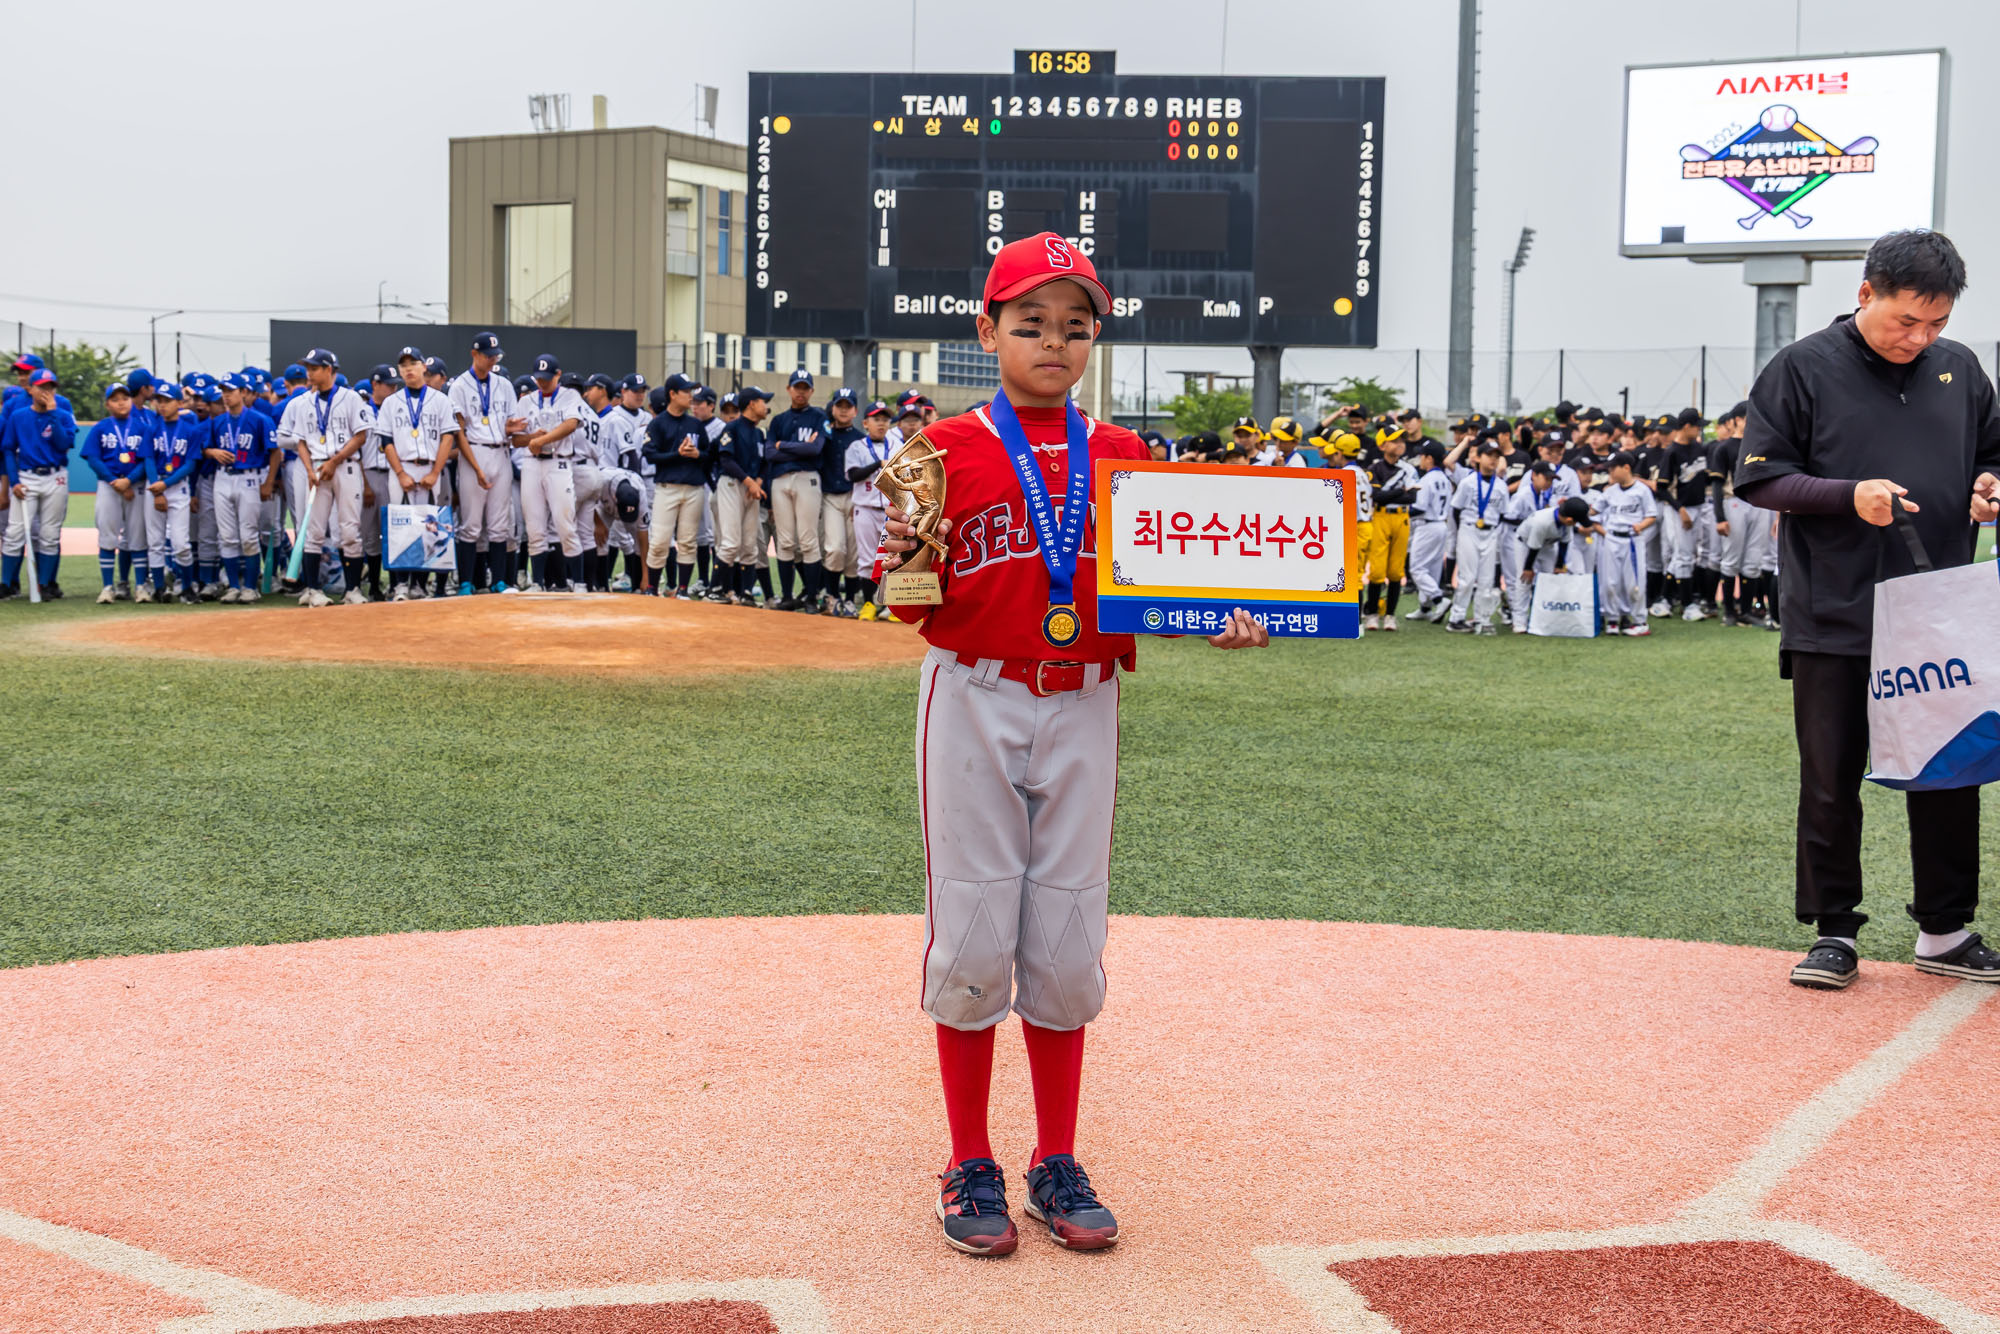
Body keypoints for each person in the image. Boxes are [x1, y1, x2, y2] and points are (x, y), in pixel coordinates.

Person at [874, 232, 1267, 1258]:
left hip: (1086, 695)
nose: (1054, 341)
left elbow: (1163, 590)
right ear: (986, 329)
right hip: (974, 692)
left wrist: (1222, 614)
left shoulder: (1125, 455)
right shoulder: (938, 451)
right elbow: (906, 599)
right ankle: (968, 1158)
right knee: (969, 926)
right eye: (1029, 321)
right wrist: (906, 562)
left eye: (1075, 325)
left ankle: (1055, 1157)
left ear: (1095, 336)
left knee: (1063, 929)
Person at [1733, 228, 2000, 989]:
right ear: (1864, 295)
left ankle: (1945, 931)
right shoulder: (1801, 368)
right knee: (1830, 776)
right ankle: (1834, 931)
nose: (1921, 338)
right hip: (1835, 612)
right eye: (1906, 321)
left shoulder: (1960, 369)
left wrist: (1988, 484)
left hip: (1935, 612)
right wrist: (1850, 495)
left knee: (1949, 773)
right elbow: (1761, 480)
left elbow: (1994, 450)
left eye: (1937, 323)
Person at [290, 348, 373, 607]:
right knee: (313, 530)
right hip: (316, 467)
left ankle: (353, 589)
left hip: (345, 466)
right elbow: (300, 442)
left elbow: (361, 436)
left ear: (329, 369)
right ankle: (313, 589)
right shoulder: (305, 402)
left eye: (314, 368)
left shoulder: (350, 399)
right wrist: (309, 470)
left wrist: (333, 461)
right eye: (308, 368)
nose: (309, 373)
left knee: (349, 529)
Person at [378, 347, 461, 600]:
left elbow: (449, 437)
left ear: (424, 367)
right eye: (403, 365)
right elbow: (386, 440)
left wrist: (436, 471)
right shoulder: (391, 402)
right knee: (401, 525)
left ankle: (420, 584)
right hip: (401, 466)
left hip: (430, 467)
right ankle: (401, 584)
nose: (408, 369)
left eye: (413, 363)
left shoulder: (441, 400)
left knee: (429, 525)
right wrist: (401, 472)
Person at [446, 332, 522, 595]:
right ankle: (466, 581)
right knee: (471, 522)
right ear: (474, 354)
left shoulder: (503, 385)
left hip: (501, 451)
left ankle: (499, 580)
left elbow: (510, 423)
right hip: (474, 451)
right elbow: (459, 432)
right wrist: (476, 468)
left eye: (495, 356)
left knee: (500, 521)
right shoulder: (460, 386)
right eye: (488, 356)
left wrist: (514, 427)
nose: (492, 360)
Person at [201, 374, 281, 603]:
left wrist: (268, 482)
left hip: (249, 477)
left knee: (248, 535)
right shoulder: (217, 422)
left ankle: (249, 587)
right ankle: (234, 586)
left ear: (243, 392)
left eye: (231, 390)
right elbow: (205, 449)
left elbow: (275, 452)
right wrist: (212, 452)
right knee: (226, 536)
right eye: (224, 390)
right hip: (223, 478)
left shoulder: (259, 419)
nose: (226, 395)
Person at [1, 369, 76, 599]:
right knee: (14, 532)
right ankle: (5, 584)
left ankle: (44, 585)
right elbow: (8, 449)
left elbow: (64, 444)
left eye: (51, 387)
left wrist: (53, 414)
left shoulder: (62, 414)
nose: (46, 391)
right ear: (30, 389)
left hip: (55, 476)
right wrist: (14, 481)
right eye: (41, 387)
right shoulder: (18, 415)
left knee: (49, 534)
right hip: (27, 477)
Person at [518, 354, 588, 593]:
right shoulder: (526, 401)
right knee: (535, 526)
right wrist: (531, 438)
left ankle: (578, 582)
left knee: (564, 522)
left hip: (558, 462)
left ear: (558, 375)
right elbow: (516, 439)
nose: (542, 382)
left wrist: (542, 439)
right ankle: (537, 583)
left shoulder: (570, 396)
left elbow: (570, 424)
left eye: (547, 378)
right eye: (538, 378)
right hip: (532, 463)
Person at [82, 383, 151, 602]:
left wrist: (129, 480)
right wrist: (114, 481)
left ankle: (140, 587)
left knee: (137, 536)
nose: (121, 402)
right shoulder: (101, 427)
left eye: (125, 398)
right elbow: (93, 458)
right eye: (115, 399)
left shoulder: (141, 428)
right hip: (108, 486)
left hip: (136, 486)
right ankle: (107, 587)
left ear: (132, 401)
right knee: (108, 535)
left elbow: (146, 460)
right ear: (107, 404)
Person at [765, 368, 827, 611]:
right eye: (797, 386)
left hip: (807, 479)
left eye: (805, 387)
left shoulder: (819, 417)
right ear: (789, 389)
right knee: (785, 541)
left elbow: (815, 450)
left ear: (811, 390)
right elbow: (769, 452)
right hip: (780, 481)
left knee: (808, 540)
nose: (800, 391)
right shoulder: (778, 420)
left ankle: (811, 598)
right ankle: (788, 596)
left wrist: (784, 446)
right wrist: (799, 446)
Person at [642, 372, 708, 598]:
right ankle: (651, 588)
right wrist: (676, 454)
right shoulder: (658, 423)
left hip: (693, 488)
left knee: (688, 541)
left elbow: (709, 454)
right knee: (659, 540)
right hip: (667, 487)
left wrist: (698, 453)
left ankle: (682, 590)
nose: (691, 396)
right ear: (672, 394)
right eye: (686, 391)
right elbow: (650, 455)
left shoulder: (695, 424)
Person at [1445, 440, 1506, 634]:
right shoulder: (1468, 482)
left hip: (1490, 531)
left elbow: (1504, 512)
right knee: (1467, 577)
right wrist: (1457, 535)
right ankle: (1456, 617)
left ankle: (1482, 617)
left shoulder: (1501, 486)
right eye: (1489, 455)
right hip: (1469, 529)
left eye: (1497, 456)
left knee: (1487, 579)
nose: (1493, 460)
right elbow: (1456, 510)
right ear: (1478, 458)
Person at [145, 383, 200, 603]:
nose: (163, 405)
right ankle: (160, 588)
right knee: (155, 541)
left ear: (179, 403)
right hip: (155, 486)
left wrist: (165, 485)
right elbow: (148, 459)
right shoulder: (152, 429)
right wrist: (156, 488)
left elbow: (190, 465)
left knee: (180, 543)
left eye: (168, 401)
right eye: (160, 400)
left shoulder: (190, 431)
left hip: (177, 487)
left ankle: (187, 587)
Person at [1596, 451, 1656, 636]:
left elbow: (1651, 515)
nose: (1611, 473)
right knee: (1610, 581)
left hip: (1632, 539)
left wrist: (1641, 526)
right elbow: (1593, 511)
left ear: (1626, 468)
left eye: (1613, 468)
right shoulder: (1610, 492)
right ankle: (1612, 619)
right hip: (1612, 537)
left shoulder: (1641, 490)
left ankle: (1639, 621)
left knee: (1634, 582)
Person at [846, 398, 895, 620]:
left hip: (889, 510)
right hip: (864, 508)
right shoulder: (856, 446)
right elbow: (853, 475)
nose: (881, 423)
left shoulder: (897, 446)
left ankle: (890, 606)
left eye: (885, 419)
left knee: (892, 557)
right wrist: (878, 464)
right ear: (865, 423)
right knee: (866, 559)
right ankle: (868, 604)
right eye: (876, 419)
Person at [1363, 433, 1416, 630]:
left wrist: (1395, 495)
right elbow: (1377, 496)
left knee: (1396, 570)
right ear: (1383, 445)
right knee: (1376, 570)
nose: (1399, 444)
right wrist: (1400, 491)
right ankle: (1372, 613)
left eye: (1401, 440)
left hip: (1401, 517)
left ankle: (1390, 615)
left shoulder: (1408, 469)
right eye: (1394, 441)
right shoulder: (1375, 468)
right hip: (1380, 516)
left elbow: (1412, 498)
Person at [820, 385, 861, 616]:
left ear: (855, 411)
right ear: (833, 408)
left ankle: (849, 600)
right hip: (830, 498)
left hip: (855, 498)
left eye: (848, 406)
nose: (844, 410)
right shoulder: (825, 436)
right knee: (835, 548)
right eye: (840, 406)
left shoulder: (860, 439)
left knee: (853, 553)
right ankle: (832, 596)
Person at [1408, 445, 1454, 620]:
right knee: (1432, 570)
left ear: (1429, 458)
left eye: (1422, 455)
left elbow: (1419, 508)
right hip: (1441, 525)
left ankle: (1438, 599)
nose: (1420, 459)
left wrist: (1403, 510)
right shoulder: (1445, 479)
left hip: (1427, 525)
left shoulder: (1426, 479)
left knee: (1417, 569)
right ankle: (1425, 608)